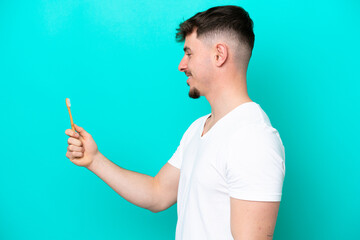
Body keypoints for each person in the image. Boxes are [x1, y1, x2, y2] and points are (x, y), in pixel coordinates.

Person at [65, 5, 285, 240]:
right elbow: (157, 193)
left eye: (189, 53)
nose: (181, 64)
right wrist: (95, 160)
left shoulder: (252, 139)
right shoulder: (199, 128)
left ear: (219, 55)